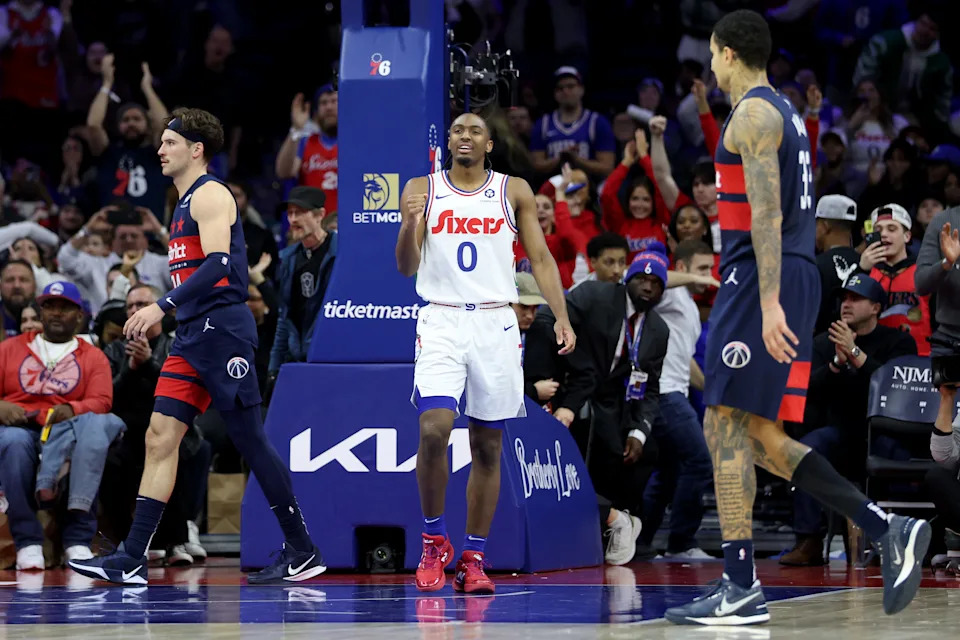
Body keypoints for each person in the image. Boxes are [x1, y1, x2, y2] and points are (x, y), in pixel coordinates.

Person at [665, 10, 929, 626]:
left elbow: (764, 210)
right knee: (754, 437)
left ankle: (739, 584)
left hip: (765, 275)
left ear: (729, 53)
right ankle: (887, 529)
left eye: (712, 53)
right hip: (783, 272)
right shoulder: (781, 109)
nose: (709, 64)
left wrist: (766, 302)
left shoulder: (754, 113)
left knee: (723, 427)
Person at [68, 107, 325, 585]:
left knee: (249, 439)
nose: (160, 150)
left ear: (196, 149)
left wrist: (159, 305)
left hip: (222, 330)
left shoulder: (210, 194)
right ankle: (132, 557)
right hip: (191, 334)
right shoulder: (181, 202)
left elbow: (218, 266)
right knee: (159, 437)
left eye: (169, 143)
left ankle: (301, 547)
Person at [395, 112, 575, 594]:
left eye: (475, 130)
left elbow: (539, 257)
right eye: (457, 130)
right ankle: (434, 540)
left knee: (487, 446)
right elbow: (405, 266)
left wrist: (560, 314)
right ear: (448, 141)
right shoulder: (422, 187)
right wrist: (410, 222)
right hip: (442, 317)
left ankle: (473, 558)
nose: (465, 136)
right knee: (433, 430)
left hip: (495, 319)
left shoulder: (513, 189)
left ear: (490, 143)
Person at [783, 274, 917, 565]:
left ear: (876, 307)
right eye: (844, 298)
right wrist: (836, 364)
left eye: (856, 298)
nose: (846, 304)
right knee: (805, 450)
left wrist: (856, 355)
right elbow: (807, 390)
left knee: (903, 456)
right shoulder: (824, 342)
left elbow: (895, 388)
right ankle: (809, 540)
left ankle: (902, 538)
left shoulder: (899, 341)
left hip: (883, 433)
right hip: (840, 431)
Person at [640, 240, 714, 559]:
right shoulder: (670, 292)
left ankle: (641, 543)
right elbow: (652, 277)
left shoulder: (690, 310)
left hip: (674, 390)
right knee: (700, 460)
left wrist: (712, 391)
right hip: (663, 393)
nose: (709, 277)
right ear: (681, 268)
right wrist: (692, 279)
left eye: (711, 269)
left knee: (670, 471)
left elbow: (686, 360)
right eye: (702, 269)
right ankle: (682, 542)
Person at [814, 194, 860, 333]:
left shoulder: (816, 265)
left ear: (825, 226)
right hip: (858, 348)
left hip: (821, 347)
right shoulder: (865, 264)